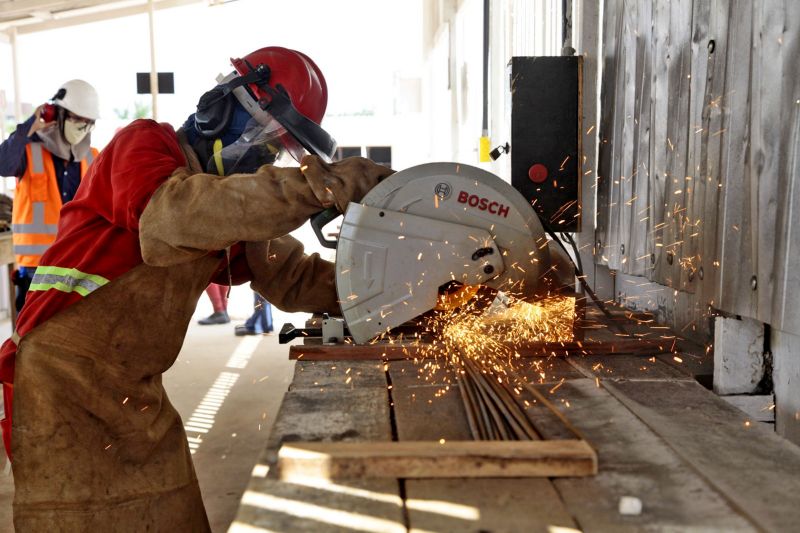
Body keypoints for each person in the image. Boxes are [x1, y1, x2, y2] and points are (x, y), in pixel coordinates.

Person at [0, 46, 392, 531]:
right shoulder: (144, 145)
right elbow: (173, 216)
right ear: (217, 109)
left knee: (172, 514)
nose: (264, 157)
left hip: (134, 386)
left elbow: (291, 275)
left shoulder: (229, 203)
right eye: (264, 138)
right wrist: (314, 186)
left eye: (280, 151)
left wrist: (392, 292)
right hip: (62, 379)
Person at [0, 80, 100, 312]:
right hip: (37, 269)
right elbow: (3, 165)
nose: (82, 126)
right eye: (77, 118)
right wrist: (28, 127)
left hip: (80, 264)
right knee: (31, 341)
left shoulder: (93, 158)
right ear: (59, 114)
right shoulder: (28, 151)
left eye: (88, 122)